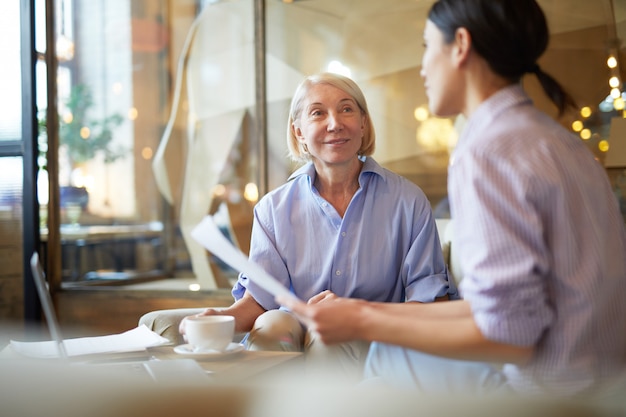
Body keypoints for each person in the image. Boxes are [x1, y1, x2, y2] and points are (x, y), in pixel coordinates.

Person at [278, 0, 626, 398]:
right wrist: (363, 312)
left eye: (427, 47)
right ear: (299, 132)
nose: (423, 67)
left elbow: (510, 334)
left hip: (547, 390)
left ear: (460, 45)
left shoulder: (488, 150)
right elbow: (505, 306)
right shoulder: (561, 142)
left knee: (377, 359)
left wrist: (362, 321)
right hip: (606, 381)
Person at [181, 72, 457, 381]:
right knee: (273, 325)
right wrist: (221, 317)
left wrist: (356, 311)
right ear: (299, 132)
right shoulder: (273, 209)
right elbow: (259, 300)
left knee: (330, 339)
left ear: (363, 122)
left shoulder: (407, 201)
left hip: (369, 337)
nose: (334, 123)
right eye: (318, 113)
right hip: (289, 329)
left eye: (347, 109)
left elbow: (433, 305)